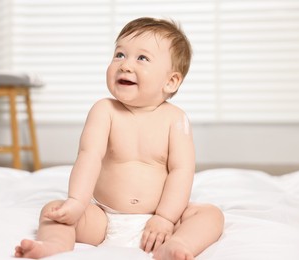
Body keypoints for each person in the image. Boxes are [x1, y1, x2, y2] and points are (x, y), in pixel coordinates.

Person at [14, 17, 224, 260]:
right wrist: (76, 203)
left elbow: (182, 171)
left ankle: (178, 245)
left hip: (158, 223)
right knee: (53, 211)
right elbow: (89, 156)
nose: (125, 65)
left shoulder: (175, 119)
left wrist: (166, 218)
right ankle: (54, 245)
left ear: (171, 81)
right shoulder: (105, 111)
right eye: (120, 55)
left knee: (211, 215)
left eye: (142, 58)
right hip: (103, 218)